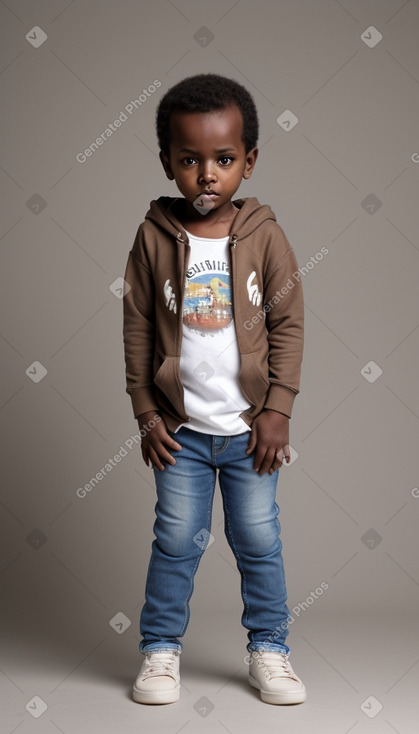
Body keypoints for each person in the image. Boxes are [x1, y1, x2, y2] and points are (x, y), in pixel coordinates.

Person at [123, 73, 306, 706]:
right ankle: (160, 650)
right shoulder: (153, 237)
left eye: (224, 159)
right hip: (181, 433)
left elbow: (289, 322)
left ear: (248, 162)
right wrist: (146, 412)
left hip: (250, 430)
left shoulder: (264, 236)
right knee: (176, 541)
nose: (207, 174)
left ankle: (270, 649)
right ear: (168, 162)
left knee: (259, 540)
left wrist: (277, 409)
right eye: (190, 160)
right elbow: (138, 326)